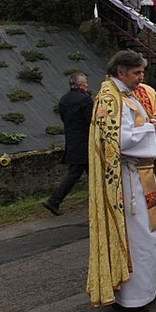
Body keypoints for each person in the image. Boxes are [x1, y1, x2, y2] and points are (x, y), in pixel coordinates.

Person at [86, 50, 156, 309]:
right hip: (128, 179)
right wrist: (150, 128)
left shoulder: (129, 96)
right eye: (137, 73)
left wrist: (150, 127)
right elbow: (119, 141)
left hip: (142, 174)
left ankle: (147, 288)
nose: (141, 78)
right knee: (137, 237)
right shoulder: (110, 98)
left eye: (142, 72)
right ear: (121, 72)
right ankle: (132, 298)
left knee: (149, 233)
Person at [43, 73, 92, 216]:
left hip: (72, 140)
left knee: (80, 173)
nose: (87, 85)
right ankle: (54, 200)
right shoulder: (85, 100)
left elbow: (65, 119)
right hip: (85, 141)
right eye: (86, 83)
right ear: (81, 85)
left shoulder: (64, 99)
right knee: (77, 173)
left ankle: (55, 200)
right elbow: (91, 121)